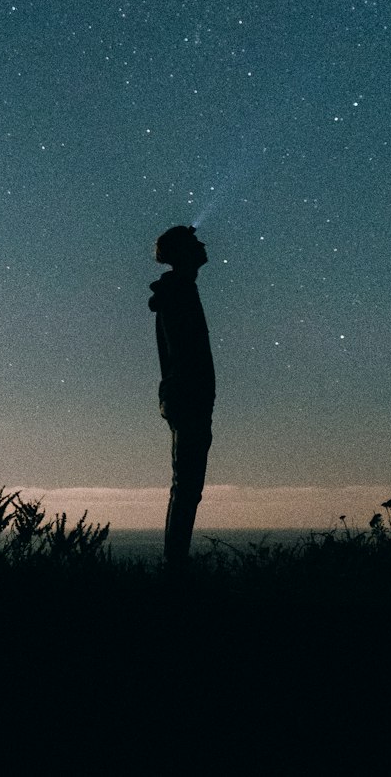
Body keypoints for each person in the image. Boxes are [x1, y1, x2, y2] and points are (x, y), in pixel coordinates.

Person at [149, 224, 215, 570]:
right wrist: (193, 393)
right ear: (181, 252)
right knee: (187, 484)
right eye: (194, 242)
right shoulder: (179, 292)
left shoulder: (180, 290)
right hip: (188, 397)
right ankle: (174, 567)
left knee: (187, 484)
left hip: (187, 397)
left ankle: (175, 563)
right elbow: (184, 351)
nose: (203, 244)